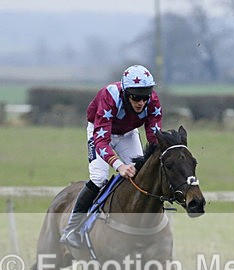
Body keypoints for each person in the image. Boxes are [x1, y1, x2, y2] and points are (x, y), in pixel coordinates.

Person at [60, 64, 163, 248]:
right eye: (136, 97)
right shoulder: (110, 96)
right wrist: (119, 165)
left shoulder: (153, 101)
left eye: (145, 97)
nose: (141, 102)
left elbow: (154, 138)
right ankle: (71, 229)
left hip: (128, 134)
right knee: (99, 178)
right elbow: (101, 141)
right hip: (100, 132)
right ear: (125, 93)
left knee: (142, 175)